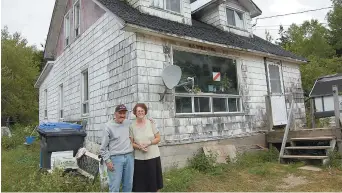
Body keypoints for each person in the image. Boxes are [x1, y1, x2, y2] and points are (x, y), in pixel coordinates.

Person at [99, 104, 134, 192]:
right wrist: (107, 161)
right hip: (115, 159)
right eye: (120, 113)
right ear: (115, 114)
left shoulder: (128, 123)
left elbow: (139, 122)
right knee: (115, 186)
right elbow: (103, 148)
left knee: (128, 185)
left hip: (129, 157)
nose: (122, 115)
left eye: (124, 113)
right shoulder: (108, 126)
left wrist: (151, 121)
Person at [129, 103, 163, 192]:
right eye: (138, 111)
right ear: (135, 113)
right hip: (139, 158)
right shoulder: (131, 126)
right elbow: (131, 143)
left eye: (142, 111)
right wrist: (139, 147)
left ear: (145, 112)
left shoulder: (151, 122)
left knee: (154, 183)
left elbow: (158, 138)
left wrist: (149, 142)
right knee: (140, 184)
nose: (140, 112)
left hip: (153, 156)